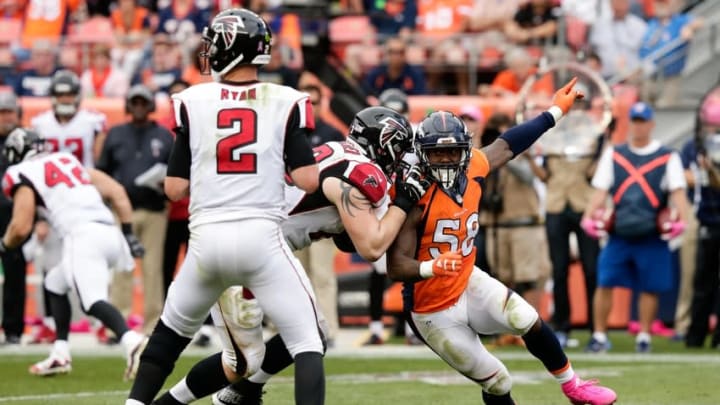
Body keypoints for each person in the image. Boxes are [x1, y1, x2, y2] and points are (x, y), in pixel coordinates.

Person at [152, 105, 427, 405]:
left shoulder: (336, 151)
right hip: (248, 251)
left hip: (249, 245)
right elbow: (371, 247)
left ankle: (239, 393)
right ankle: (184, 400)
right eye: (399, 151)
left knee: (303, 338)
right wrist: (402, 201)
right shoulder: (362, 171)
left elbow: (346, 239)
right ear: (386, 144)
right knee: (247, 360)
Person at [125, 9, 324, 405]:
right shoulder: (285, 99)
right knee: (307, 341)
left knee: (170, 333)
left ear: (228, 49)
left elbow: (175, 187)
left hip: (206, 241)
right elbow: (308, 180)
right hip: (261, 240)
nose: (209, 51)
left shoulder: (192, 100)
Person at [386, 78, 617, 405]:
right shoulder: (414, 195)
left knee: (526, 318)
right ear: (422, 155)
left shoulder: (475, 166)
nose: (448, 161)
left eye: (453, 152)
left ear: (465, 150)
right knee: (498, 381)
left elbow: (509, 144)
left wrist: (555, 111)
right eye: (438, 154)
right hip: (431, 309)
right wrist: (429, 267)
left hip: (466, 281)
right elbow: (396, 266)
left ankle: (573, 386)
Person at [0, 127, 147, 377]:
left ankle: (132, 342)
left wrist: (5, 245)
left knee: (92, 302)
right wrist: (129, 232)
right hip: (109, 232)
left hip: (82, 237)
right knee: (54, 283)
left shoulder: (19, 172)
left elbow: (20, 225)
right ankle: (60, 354)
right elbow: (116, 191)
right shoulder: (67, 160)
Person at [582, 102, 689, 353]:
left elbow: (678, 192)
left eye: (643, 121)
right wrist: (587, 216)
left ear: (651, 124)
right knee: (605, 281)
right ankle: (599, 334)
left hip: (652, 231)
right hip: (619, 231)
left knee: (651, 286)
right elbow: (600, 190)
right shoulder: (615, 154)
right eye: (635, 121)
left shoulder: (667, 156)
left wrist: (682, 220)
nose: (638, 126)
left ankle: (644, 335)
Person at [28, 69, 108, 344]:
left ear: (78, 96)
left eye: (69, 93)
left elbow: (99, 160)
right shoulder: (40, 124)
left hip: (84, 202)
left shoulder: (92, 122)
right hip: (52, 204)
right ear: (52, 96)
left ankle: (100, 322)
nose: (64, 98)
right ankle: (50, 322)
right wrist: (38, 213)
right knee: (50, 265)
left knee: (91, 265)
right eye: (60, 94)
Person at [98, 84, 174, 336]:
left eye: (143, 103)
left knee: (153, 268)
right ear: (128, 106)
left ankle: (153, 324)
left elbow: (176, 171)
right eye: (135, 103)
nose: (139, 107)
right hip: (122, 211)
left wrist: (164, 184)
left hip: (154, 210)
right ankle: (118, 324)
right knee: (122, 266)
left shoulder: (163, 135)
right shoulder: (116, 134)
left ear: (151, 105)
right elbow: (103, 171)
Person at [0, 91, 27, 345]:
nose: (5, 118)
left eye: (9, 112)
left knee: (14, 271)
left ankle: (13, 329)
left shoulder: (26, 141)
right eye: (1, 113)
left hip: (15, 213)